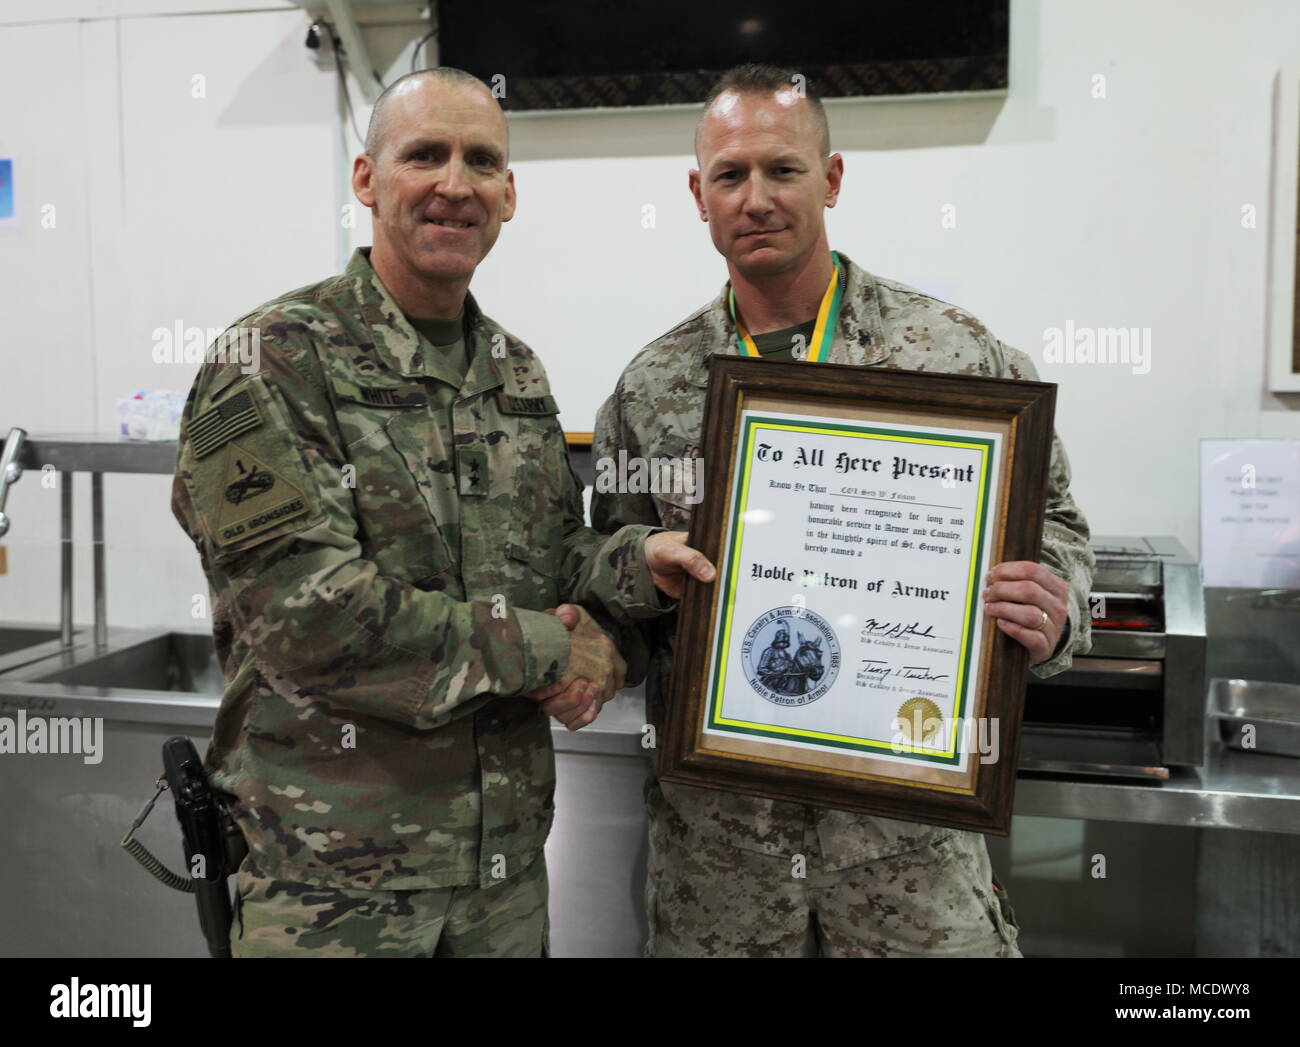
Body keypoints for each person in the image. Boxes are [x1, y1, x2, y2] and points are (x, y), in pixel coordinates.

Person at [171, 67, 710, 958]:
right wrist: (547, 648)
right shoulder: (270, 362)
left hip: (504, 876)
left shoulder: (515, 368)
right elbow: (308, 614)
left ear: (508, 195)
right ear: (367, 179)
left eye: (481, 160)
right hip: (334, 889)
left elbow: (542, 557)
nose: (455, 183)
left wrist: (629, 565)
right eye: (425, 154)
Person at [592, 64, 1096, 958]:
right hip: (723, 880)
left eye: (783, 170)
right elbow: (605, 568)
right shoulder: (652, 388)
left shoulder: (952, 354)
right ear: (697, 194)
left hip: (910, 869)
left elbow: (1056, 524)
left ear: (831, 178)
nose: (756, 198)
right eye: (730, 175)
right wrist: (637, 568)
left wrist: (1054, 609)